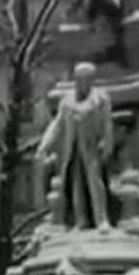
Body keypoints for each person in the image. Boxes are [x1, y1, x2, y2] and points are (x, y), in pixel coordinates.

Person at [34, 62, 114, 231]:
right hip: (72, 146)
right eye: (80, 79)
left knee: (95, 182)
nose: (84, 83)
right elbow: (57, 125)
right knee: (76, 183)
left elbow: (107, 123)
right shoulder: (67, 101)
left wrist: (107, 143)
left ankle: (101, 219)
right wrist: (44, 146)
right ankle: (80, 219)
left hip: (92, 146)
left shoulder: (100, 98)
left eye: (87, 79)